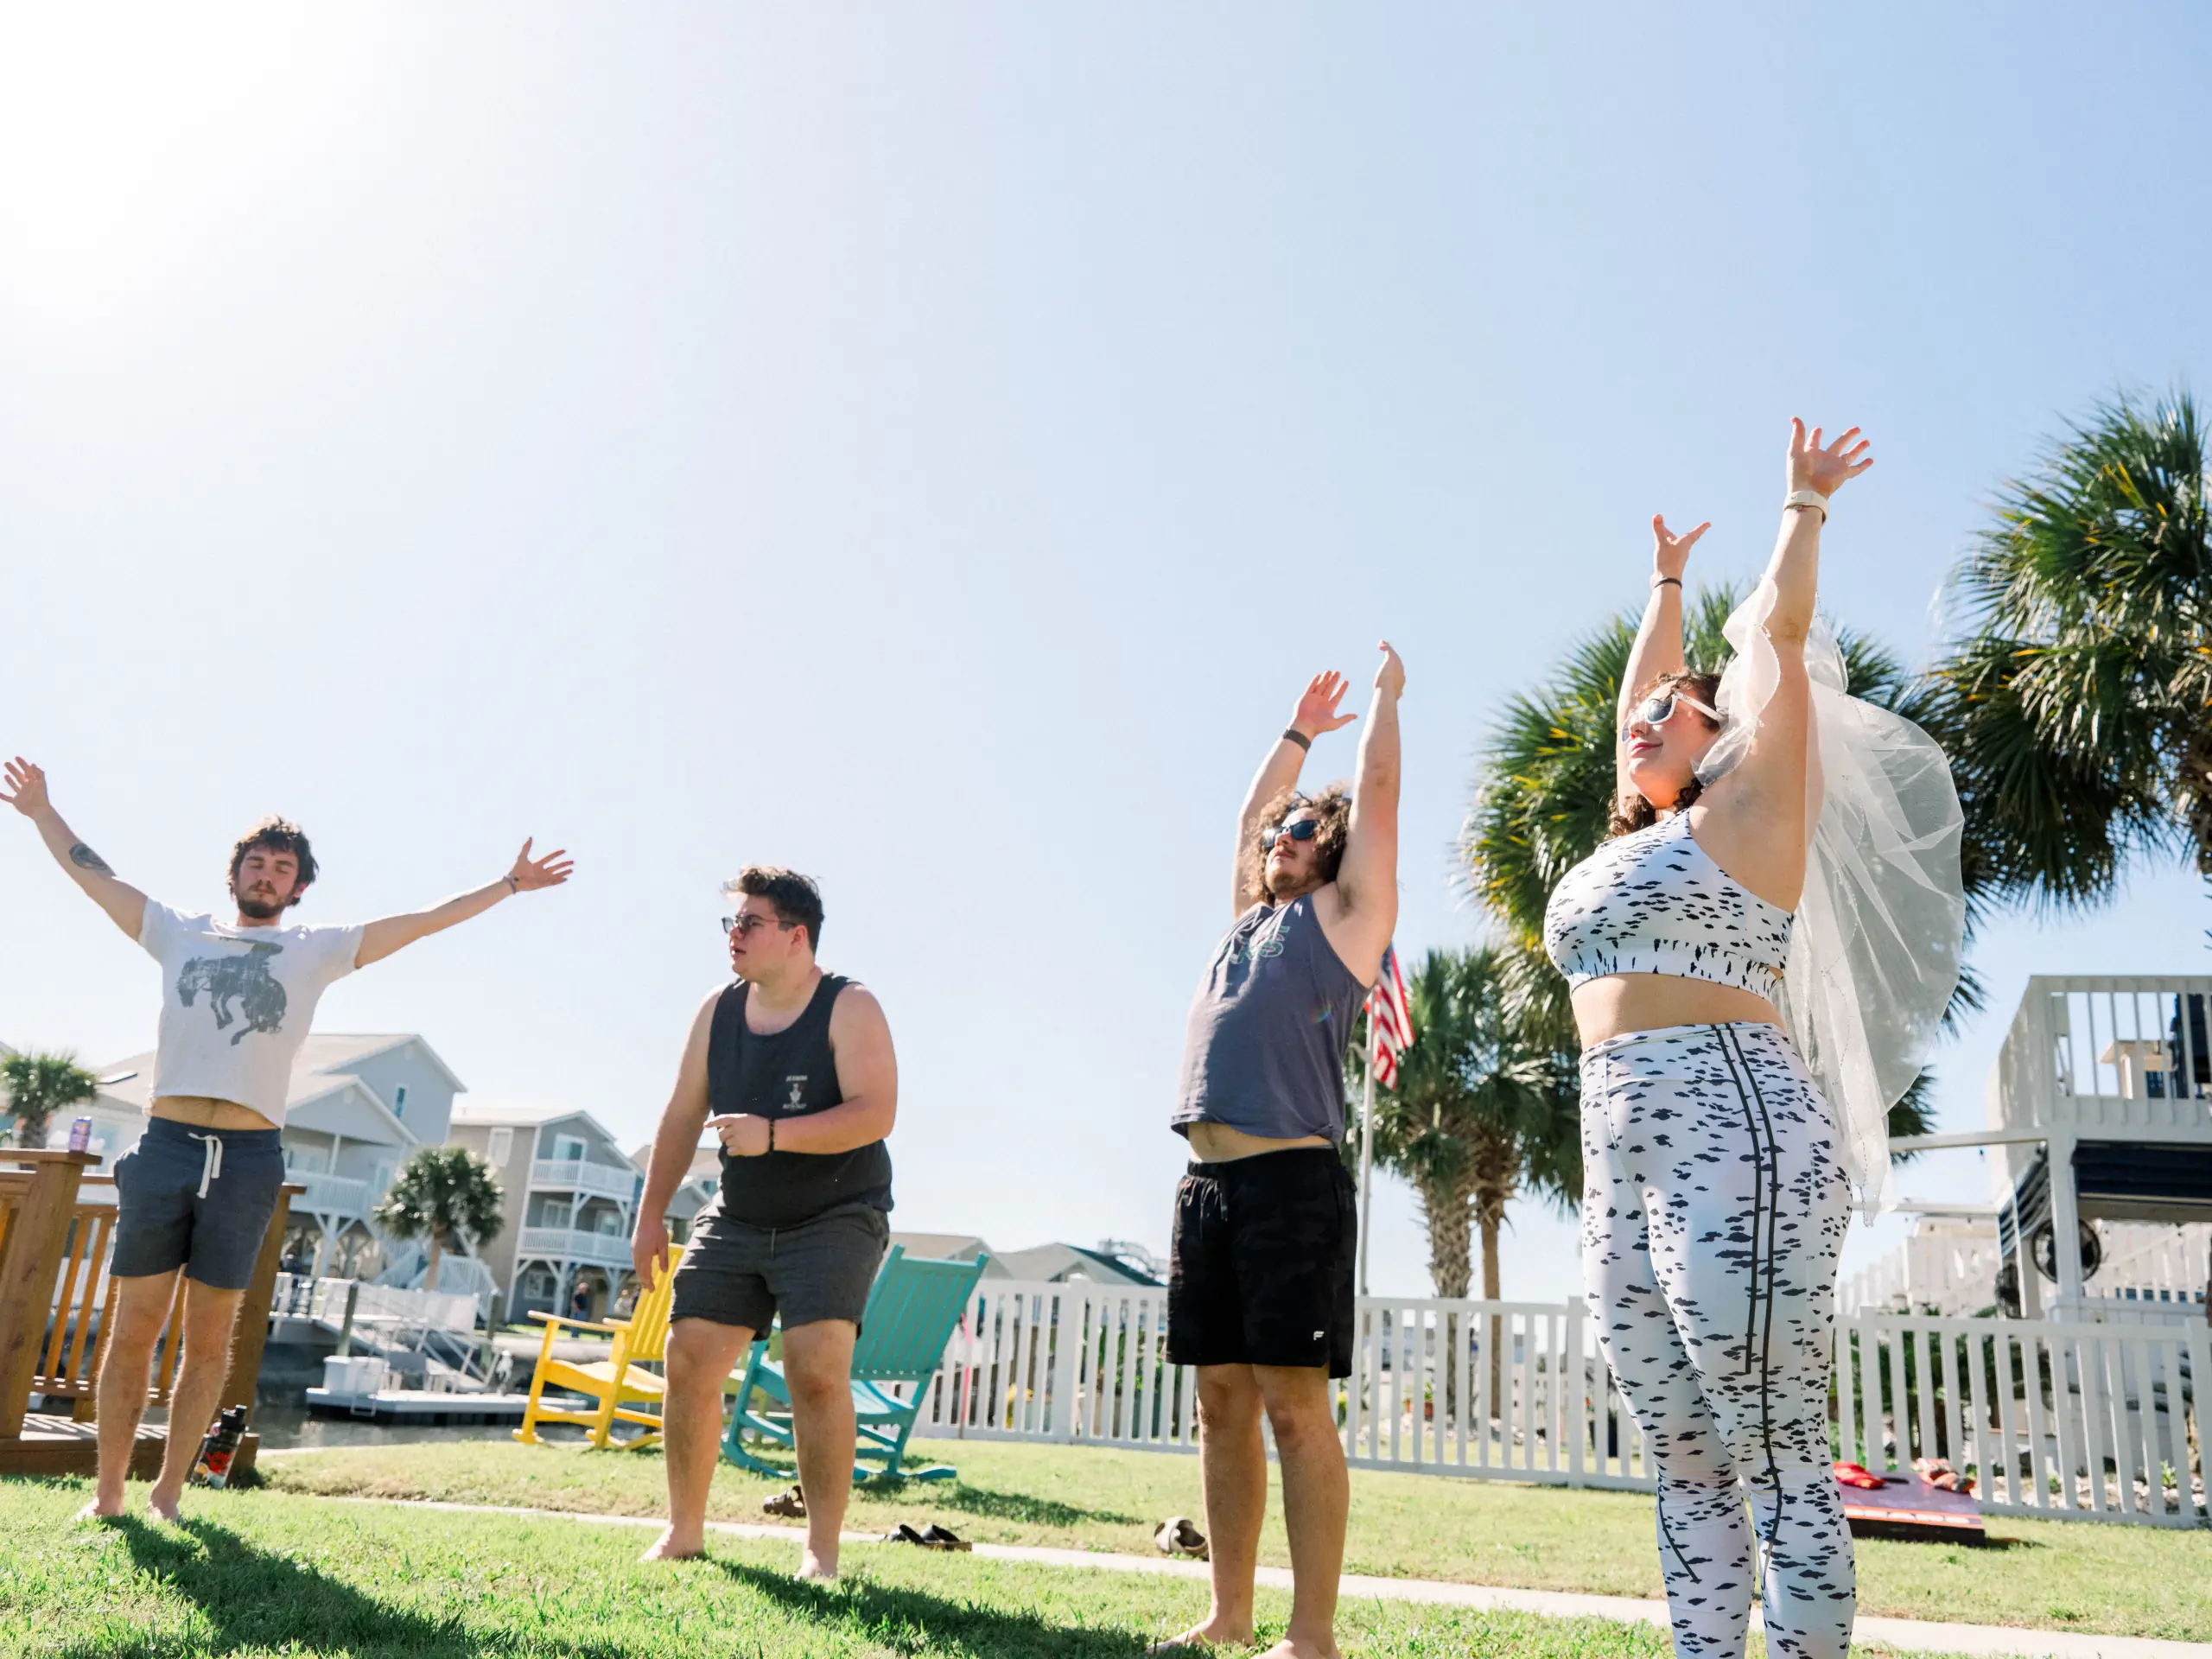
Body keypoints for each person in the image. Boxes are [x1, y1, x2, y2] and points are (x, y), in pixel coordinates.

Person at [1543, 421, 1959, 1659]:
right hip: (1618, 1156)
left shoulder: (1757, 811)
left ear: (1724, 729)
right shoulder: (1634, 835)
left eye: (1673, 709)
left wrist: (1802, 507)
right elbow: (1639, 699)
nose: (1641, 719)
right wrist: (1665, 584)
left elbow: (1776, 641)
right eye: (1643, 710)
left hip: (1741, 1141)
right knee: (1681, 1459)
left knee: (1776, 1451)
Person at [0, 757, 572, 1524]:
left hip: (246, 1158)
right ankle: (108, 1497)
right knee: (133, 1328)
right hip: (166, 1142)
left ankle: (167, 1494)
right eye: (256, 862)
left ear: (299, 887)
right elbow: (95, 875)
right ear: (233, 872)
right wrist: (42, 813)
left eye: (282, 868)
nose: (266, 875)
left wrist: (505, 886)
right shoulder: (178, 932)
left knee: (209, 1340)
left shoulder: (317, 947)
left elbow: (418, 922)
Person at [1159, 643, 1404, 1659]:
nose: (1281, 834)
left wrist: (1386, 704)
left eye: (1303, 828)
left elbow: (1380, 800)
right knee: (1220, 1405)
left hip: (1289, 1184)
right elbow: (1245, 817)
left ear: (1332, 850)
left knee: (1295, 1412)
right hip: (1206, 1184)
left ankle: (1312, 1637)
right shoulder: (1245, 923)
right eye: (1279, 828)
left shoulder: (1345, 922)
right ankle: (1228, 1616)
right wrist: (1296, 732)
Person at [632, 866, 897, 1578]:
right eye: (732, 923)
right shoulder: (718, 1010)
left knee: (814, 1369)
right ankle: (684, 1532)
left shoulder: (850, 1005)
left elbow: (876, 1114)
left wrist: (774, 1133)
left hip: (837, 1212)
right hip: (740, 1213)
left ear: (796, 936)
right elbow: (684, 1112)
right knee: (688, 1356)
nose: (734, 936)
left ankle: (821, 1550)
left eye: (749, 923)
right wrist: (651, 1212)